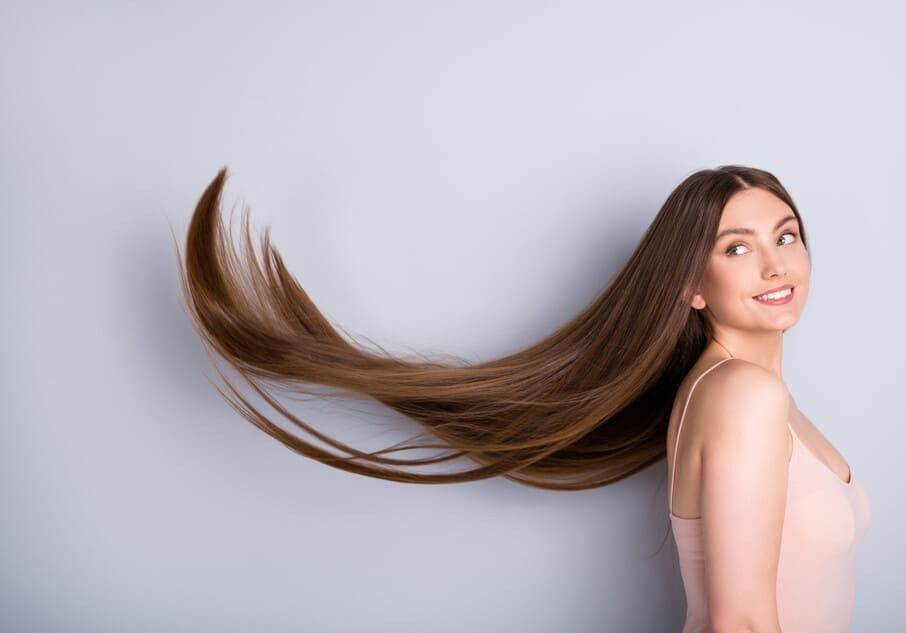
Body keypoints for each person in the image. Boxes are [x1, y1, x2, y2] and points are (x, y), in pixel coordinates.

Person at [175, 164, 870, 631]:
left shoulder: (747, 393)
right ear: (692, 286)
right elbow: (740, 622)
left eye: (787, 235)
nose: (777, 262)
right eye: (737, 248)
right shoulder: (742, 395)